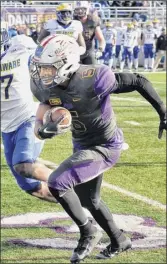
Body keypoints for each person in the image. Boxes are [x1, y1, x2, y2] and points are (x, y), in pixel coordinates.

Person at [30, 34, 166, 263]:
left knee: (57, 182)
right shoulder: (46, 87)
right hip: (82, 144)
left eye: (48, 68)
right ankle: (119, 239)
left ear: (67, 63)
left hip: (105, 145)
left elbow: (138, 81)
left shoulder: (92, 78)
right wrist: (43, 129)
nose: (43, 74)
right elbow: (43, 112)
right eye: (41, 69)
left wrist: (163, 111)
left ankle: (88, 232)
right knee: (88, 200)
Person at [0, 21, 57, 203]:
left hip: (28, 119)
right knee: (29, 185)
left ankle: (70, 182)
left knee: (23, 165)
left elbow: (41, 53)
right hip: (6, 128)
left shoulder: (19, 49)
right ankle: (83, 212)